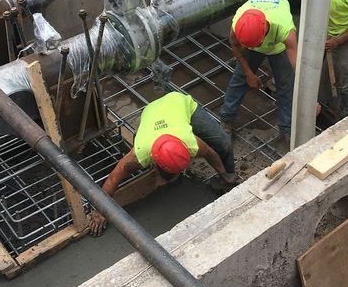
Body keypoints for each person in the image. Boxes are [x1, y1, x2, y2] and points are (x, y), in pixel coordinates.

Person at [89, 91, 237, 235]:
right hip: (151, 111)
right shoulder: (141, 152)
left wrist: (224, 174)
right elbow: (114, 177)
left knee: (224, 143)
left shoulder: (190, 142)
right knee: (140, 140)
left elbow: (211, 154)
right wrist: (101, 210)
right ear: (154, 162)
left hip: (179, 102)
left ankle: (230, 177)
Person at [221, 0, 297, 151]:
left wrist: (310, 100)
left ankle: (286, 128)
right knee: (239, 80)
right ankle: (226, 121)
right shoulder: (239, 24)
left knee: (286, 86)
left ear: (264, 33)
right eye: (250, 45)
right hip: (254, 32)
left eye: (256, 44)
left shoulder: (285, 29)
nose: (254, 48)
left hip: (277, 47)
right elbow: (235, 45)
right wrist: (249, 73)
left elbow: (297, 68)